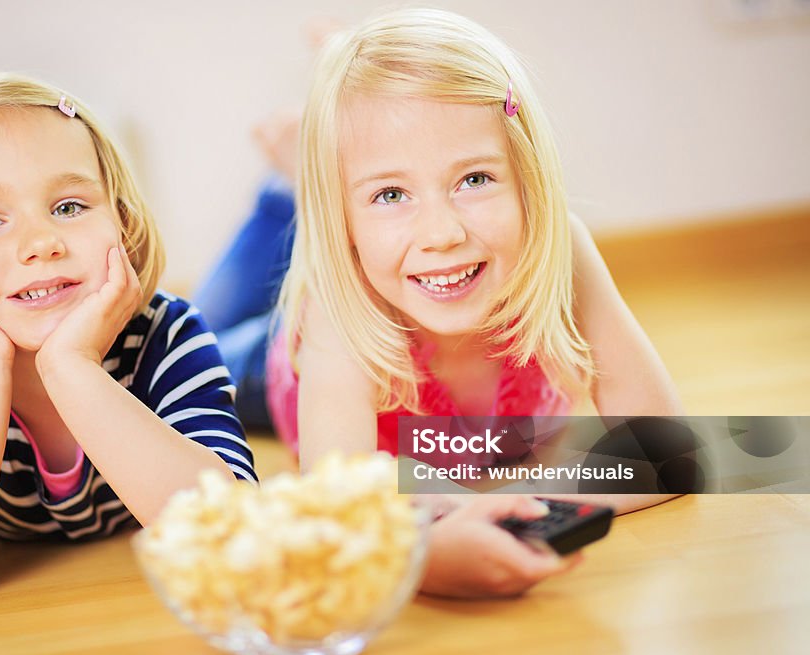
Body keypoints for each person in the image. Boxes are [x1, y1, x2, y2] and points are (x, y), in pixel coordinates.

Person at [198, 8, 684, 597]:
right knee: (204, 336)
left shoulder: (563, 250)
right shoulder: (337, 295)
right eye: (391, 192)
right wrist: (422, 555)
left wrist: (507, 506)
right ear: (346, 225)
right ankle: (291, 187)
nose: (442, 233)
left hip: (387, 269)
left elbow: (666, 453)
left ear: (528, 178)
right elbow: (338, 499)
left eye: (474, 179)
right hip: (280, 355)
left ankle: (332, 162)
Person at [0, 72, 257, 610]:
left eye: (69, 207)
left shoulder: (167, 334)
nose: (42, 243)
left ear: (122, 222)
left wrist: (72, 366)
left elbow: (233, 537)